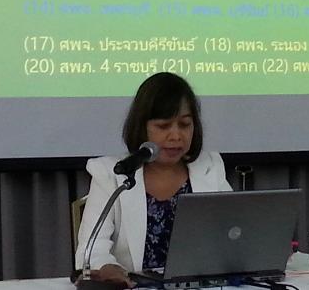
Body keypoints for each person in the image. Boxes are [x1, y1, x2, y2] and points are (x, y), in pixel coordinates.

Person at [74, 72, 232, 287]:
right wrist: (108, 268)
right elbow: (91, 249)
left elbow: (233, 235)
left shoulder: (211, 168)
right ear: (142, 127)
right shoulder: (112, 174)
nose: (176, 136)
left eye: (185, 124)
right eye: (163, 126)